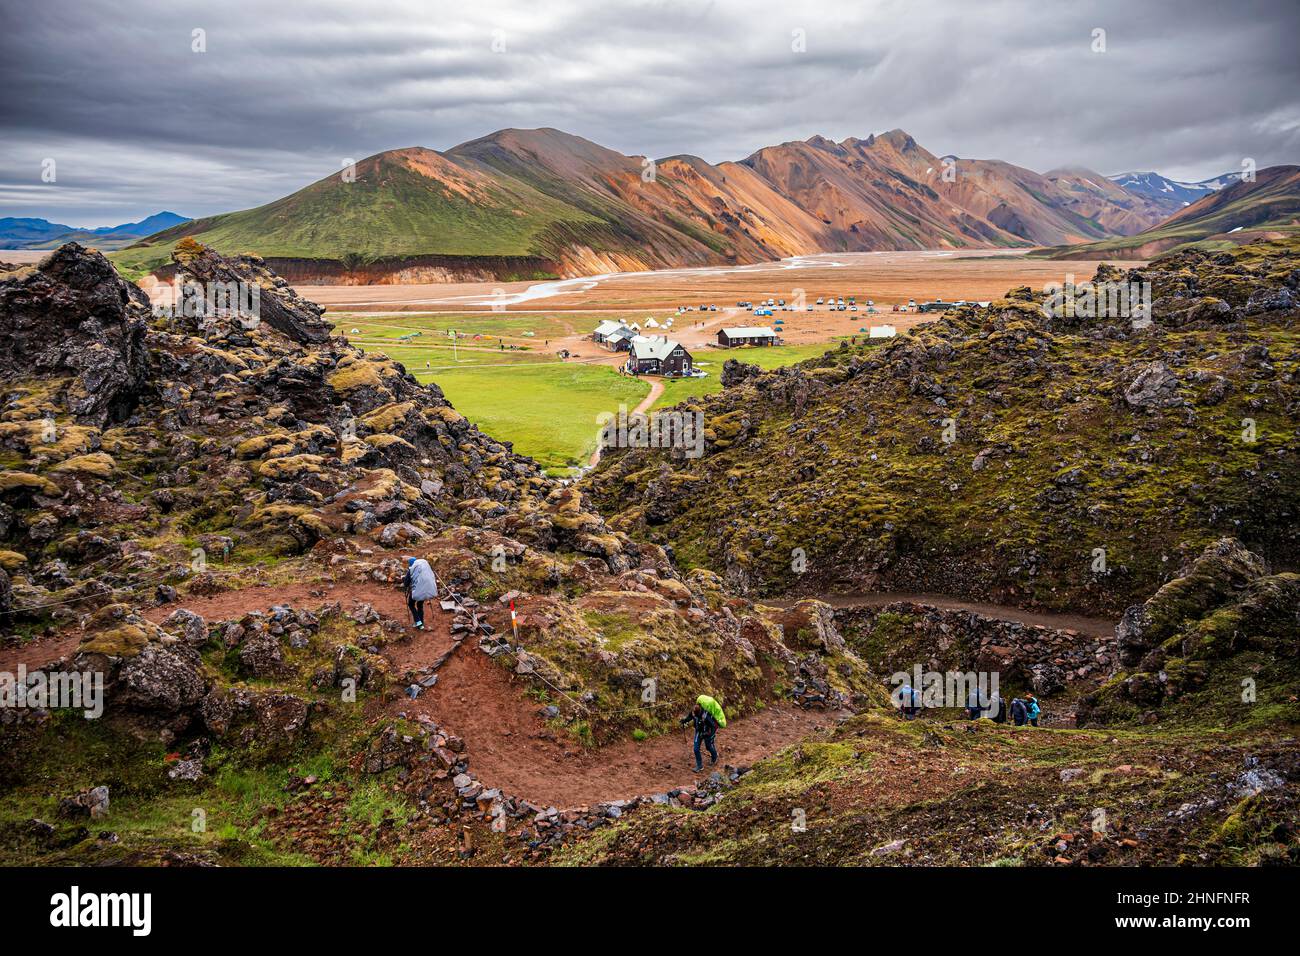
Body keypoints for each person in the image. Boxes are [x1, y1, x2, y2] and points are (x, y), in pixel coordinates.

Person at [680, 702, 719, 773]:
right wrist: (684, 720)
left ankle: (714, 757)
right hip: (698, 731)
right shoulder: (694, 712)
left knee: (708, 747)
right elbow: (690, 717)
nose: (693, 715)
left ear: (698, 713)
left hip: (708, 732)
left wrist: (707, 734)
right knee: (696, 749)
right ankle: (699, 766)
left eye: (694, 714)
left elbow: (713, 726)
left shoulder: (706, 716)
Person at [402, 556, 438, 630]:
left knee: (411, 604)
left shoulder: (411, 570)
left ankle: (418, 622)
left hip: (415, 591)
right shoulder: (423, 570)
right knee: (420, 605)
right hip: (425, 590)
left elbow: (406, 584)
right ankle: (421, 624)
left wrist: (403, 579)